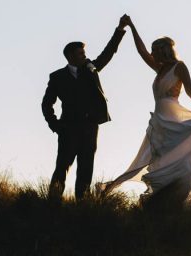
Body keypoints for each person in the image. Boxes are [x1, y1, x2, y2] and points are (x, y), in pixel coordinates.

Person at [101, 15, 191, 208]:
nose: (152, 54)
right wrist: (132, 27)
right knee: (152, 157)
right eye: (152, 50)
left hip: (172, 118)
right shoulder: (158, 68)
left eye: (156, 50)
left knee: (179, 158)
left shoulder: (179, 67)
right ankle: (141, 192)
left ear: (164, 51)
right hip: (159, 120)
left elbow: (189, 88)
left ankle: (176, 194)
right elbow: (141, 51)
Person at [41, 15, 129, 201]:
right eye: (81, 54)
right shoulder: (57, 77)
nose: (85, 56)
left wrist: (120, 29)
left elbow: (108, 52)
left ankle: (83, 204)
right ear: (71, 56)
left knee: (86, 168)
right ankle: (52, 204)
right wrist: (55, 125)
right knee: (62, 167)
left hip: (90, 128)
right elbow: (46, 103)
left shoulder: (91, 69)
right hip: (68, 128)